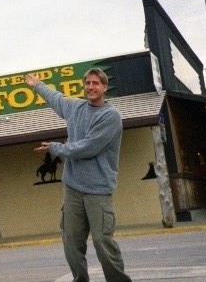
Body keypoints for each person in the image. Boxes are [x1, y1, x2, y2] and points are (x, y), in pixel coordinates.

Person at [25, 68, 131, 282]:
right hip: (72, 189)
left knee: (102, 242)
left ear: (104, 87)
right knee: (71, 242)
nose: (91, 87)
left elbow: (88, 147)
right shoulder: (76, 108)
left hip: (98, 191)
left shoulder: (110, 116)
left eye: (96, 83)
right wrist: (38, 86)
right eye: (88, 83)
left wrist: (56, 148)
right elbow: (57, 98)